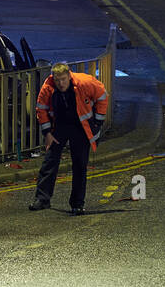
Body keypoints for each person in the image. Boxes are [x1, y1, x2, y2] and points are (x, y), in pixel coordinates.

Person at [28, 63, 108, 215]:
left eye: (63, 79)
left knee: (80, 164)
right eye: (58, 80)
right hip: (59, 127)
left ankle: (77, 204)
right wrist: (47, 134)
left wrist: (98, 122)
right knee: (50, 162)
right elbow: (41, 109)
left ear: (69, 76)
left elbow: (102, 96)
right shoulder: (48, 87)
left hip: (80, 127)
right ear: (53, 78)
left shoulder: (85, 82)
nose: (61, 83)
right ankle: (42, 199)